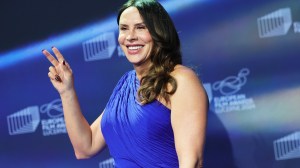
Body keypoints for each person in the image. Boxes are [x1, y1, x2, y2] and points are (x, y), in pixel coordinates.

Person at [42, 0, 208, 167]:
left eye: (141, 27)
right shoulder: (125, 84)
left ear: (160, 32)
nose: (130, 37)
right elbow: (86, 147)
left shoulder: (180, 80)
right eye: (124, 29)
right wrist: (67, 91)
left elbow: (192, 162)